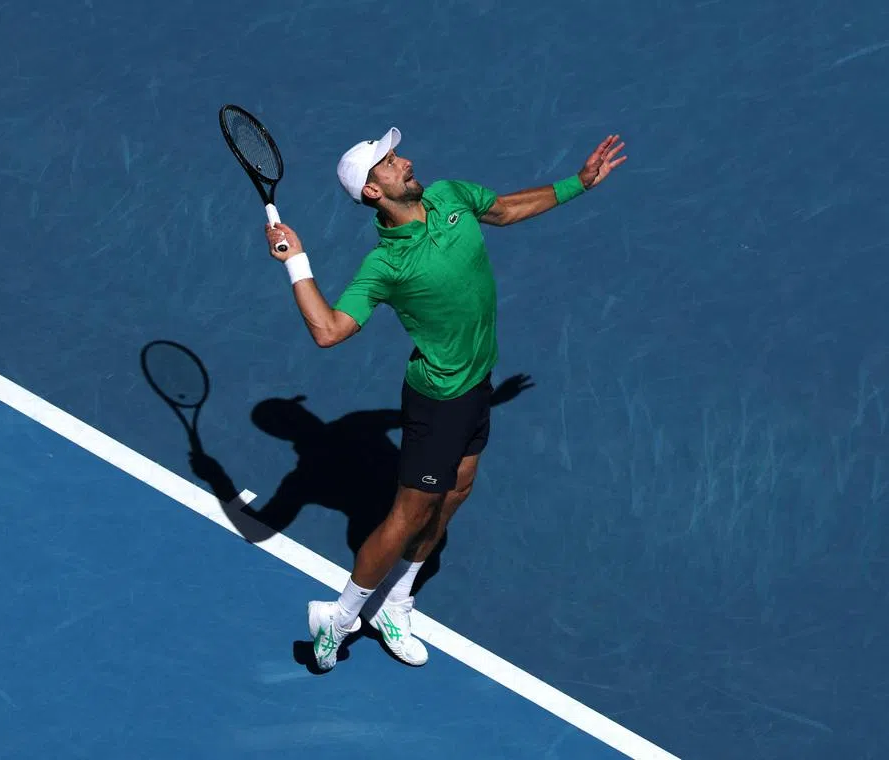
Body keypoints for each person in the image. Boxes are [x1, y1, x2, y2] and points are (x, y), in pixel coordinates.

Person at [262, 127, 627, 671]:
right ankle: (336, 621)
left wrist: (579, 183)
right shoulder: (385, 267)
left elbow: (503, 210)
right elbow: (329, 330)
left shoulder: (451, 195)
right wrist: (297, 261)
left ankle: (396, 601)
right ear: (372, 192)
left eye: (397, 154)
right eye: (388, 163)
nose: (405, 161)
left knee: (456, 491)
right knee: (408, 516)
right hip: (438, 402)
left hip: (477, 384)